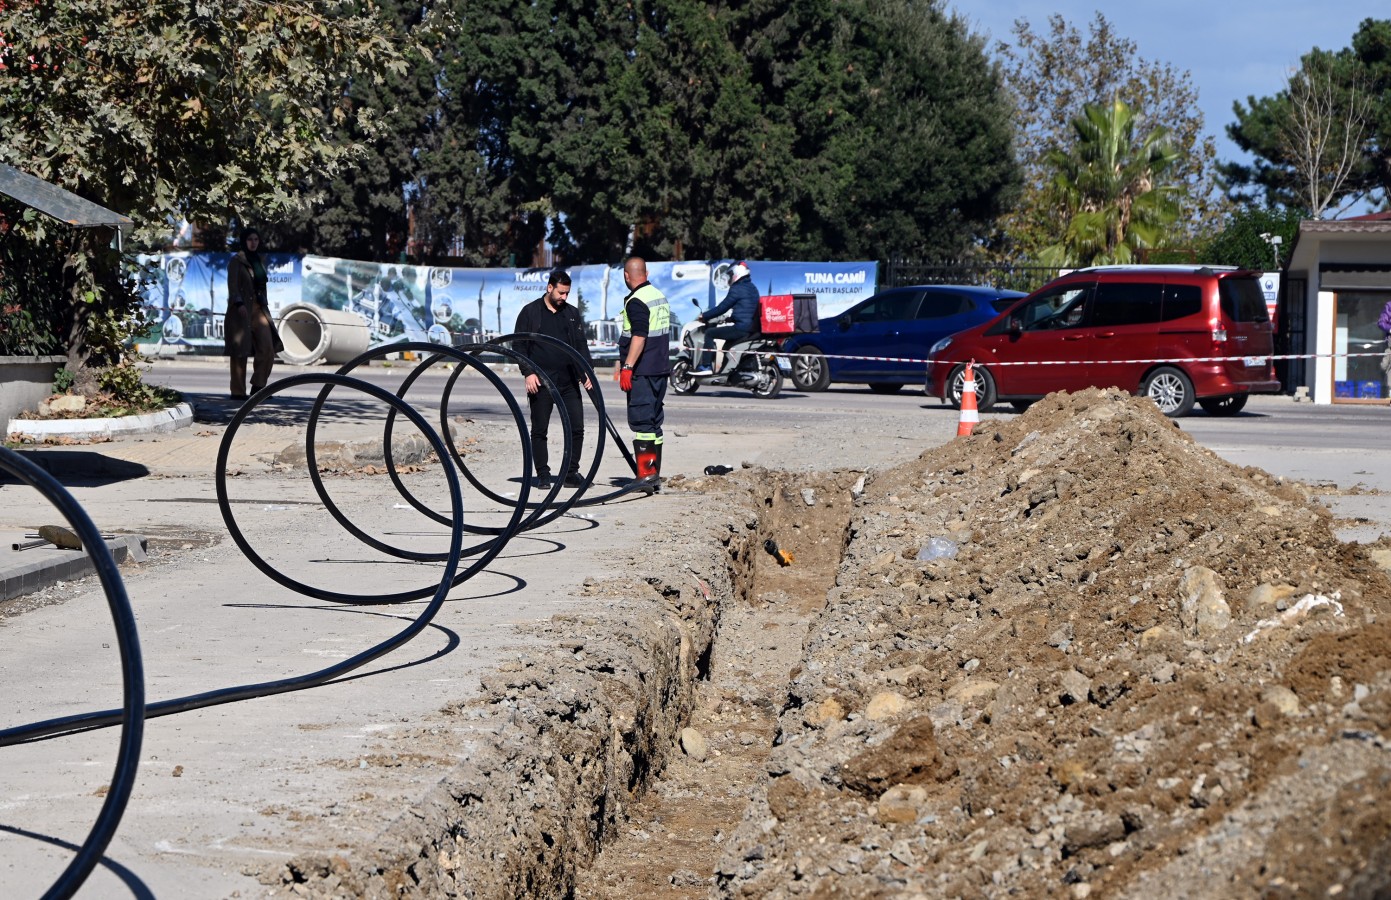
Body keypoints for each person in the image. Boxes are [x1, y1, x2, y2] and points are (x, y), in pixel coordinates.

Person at [514, 269, 593, 488]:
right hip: (541, 381)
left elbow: (580, 344)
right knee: (540, 429)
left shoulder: (572, 313)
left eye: (567, 293)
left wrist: (587, 372)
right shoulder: (531, 312)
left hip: (568, 380)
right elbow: (518, 345)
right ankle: (543, 473)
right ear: (549, 288)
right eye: (560, 293)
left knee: (576, 427)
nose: (564, 297)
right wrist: (528, 372)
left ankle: (570, 472)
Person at [617, 257, 671, 490]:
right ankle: (654, 474)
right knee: (654, 423)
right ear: (646, 273)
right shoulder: (658, 295)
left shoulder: (636, 301)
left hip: (643, 371)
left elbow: (639, 336)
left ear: (627, 276)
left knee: (642, 424)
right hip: (660, 369)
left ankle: (647, 476)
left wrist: (627, 367)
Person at [224, 229, 281, 399]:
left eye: (256, 239)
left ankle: (258, 386)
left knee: (268, 347)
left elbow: (261, 285)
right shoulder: (236, 261)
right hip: (240, 310)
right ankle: (237, 392)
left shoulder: (259, 260)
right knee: (239, 352)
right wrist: (238, 302)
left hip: (258, 308)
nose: (253, 243)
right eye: (250, 239)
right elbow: (232, 286)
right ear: (244, 241)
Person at [691, 261, 759, 375]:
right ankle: (726, 372)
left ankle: (706, 366)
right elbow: (746, 309)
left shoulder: (737, 288)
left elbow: (722, 307)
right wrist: (730, 319)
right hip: (751, 327)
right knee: (727, 345)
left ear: (737, 273)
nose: (730, 278)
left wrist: (704, 316)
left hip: (741, 328)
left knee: (709, 333)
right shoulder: (752, 288)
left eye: (731, 274)